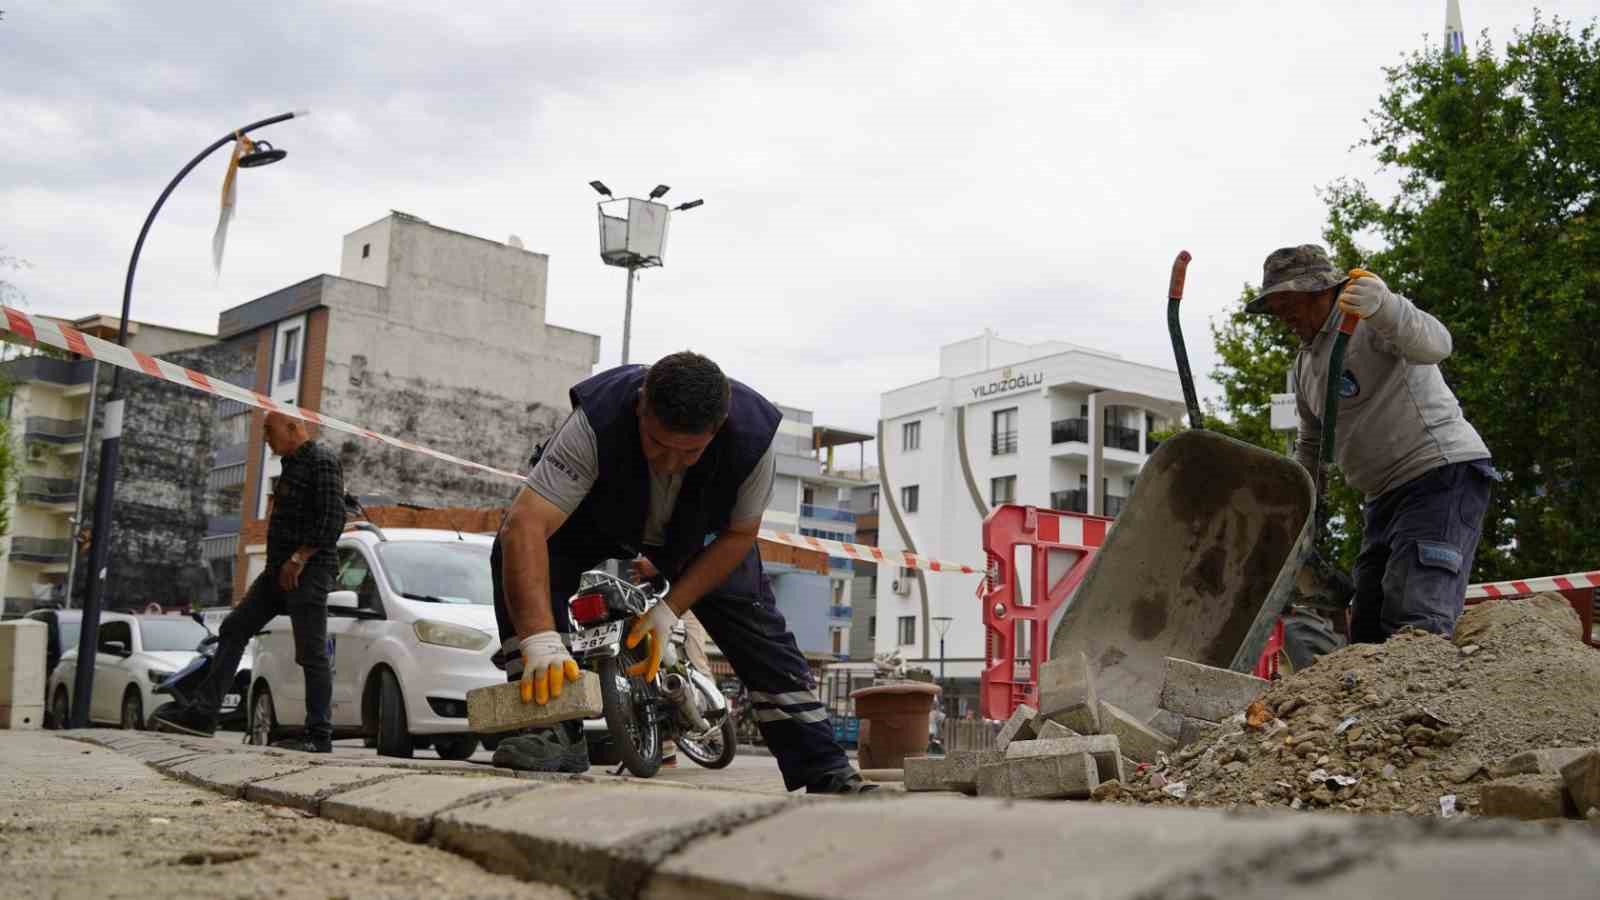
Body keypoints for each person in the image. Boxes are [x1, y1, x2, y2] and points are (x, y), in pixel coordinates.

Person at [491, 351, 875, 793]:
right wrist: (539, 639)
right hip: (597, 514)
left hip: (700, 533)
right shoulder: (596, 420)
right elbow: (527, 524)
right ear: (640, 406)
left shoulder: (752, 439)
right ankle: (551, 727)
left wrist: (670, 609)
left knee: (756, 624)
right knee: (515, 549)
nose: (670, 461)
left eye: (690, 451)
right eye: (656, 443)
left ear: (719, 426)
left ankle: (823, 765)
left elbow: (739, 536)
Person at [1247, 245, 1495, 643]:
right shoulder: (1305, 365)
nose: (1284, 316)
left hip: (1438, 475)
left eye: (1289, 303)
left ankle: (1423, 702)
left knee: (1416, 619)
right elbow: (1311, 444)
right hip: (1382, 497)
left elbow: (1437, 344)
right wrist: (1298, 509)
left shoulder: (1367, 322)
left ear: (1321, 291)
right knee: (1368, 631)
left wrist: (1387, 308)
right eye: (1277, 308)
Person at [155, 411, 346, 751]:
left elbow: (332, 520)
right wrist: (281, 565)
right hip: (277, 572)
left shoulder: (322, 460)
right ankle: (203, 715)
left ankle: (319, 736)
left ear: (292, 427)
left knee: (312, 653)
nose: (265, 439)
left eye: (269, 431)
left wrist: (298, 559)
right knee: (234, 628)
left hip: (308, 571)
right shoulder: (289, 465)